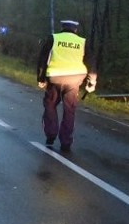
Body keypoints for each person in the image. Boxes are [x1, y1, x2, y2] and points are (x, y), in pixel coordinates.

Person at [36, 20, 97, 152]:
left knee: (50, 106)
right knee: (69, 110)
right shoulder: (83, 42)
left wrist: (41, 78)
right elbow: (90, 63)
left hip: (55, 79)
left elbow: (43, 59)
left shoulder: (54, 38)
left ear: (63, 28)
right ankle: (66, 142)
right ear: (75, 30)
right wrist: (92, 81)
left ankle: (51, 136)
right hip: (74, 80)